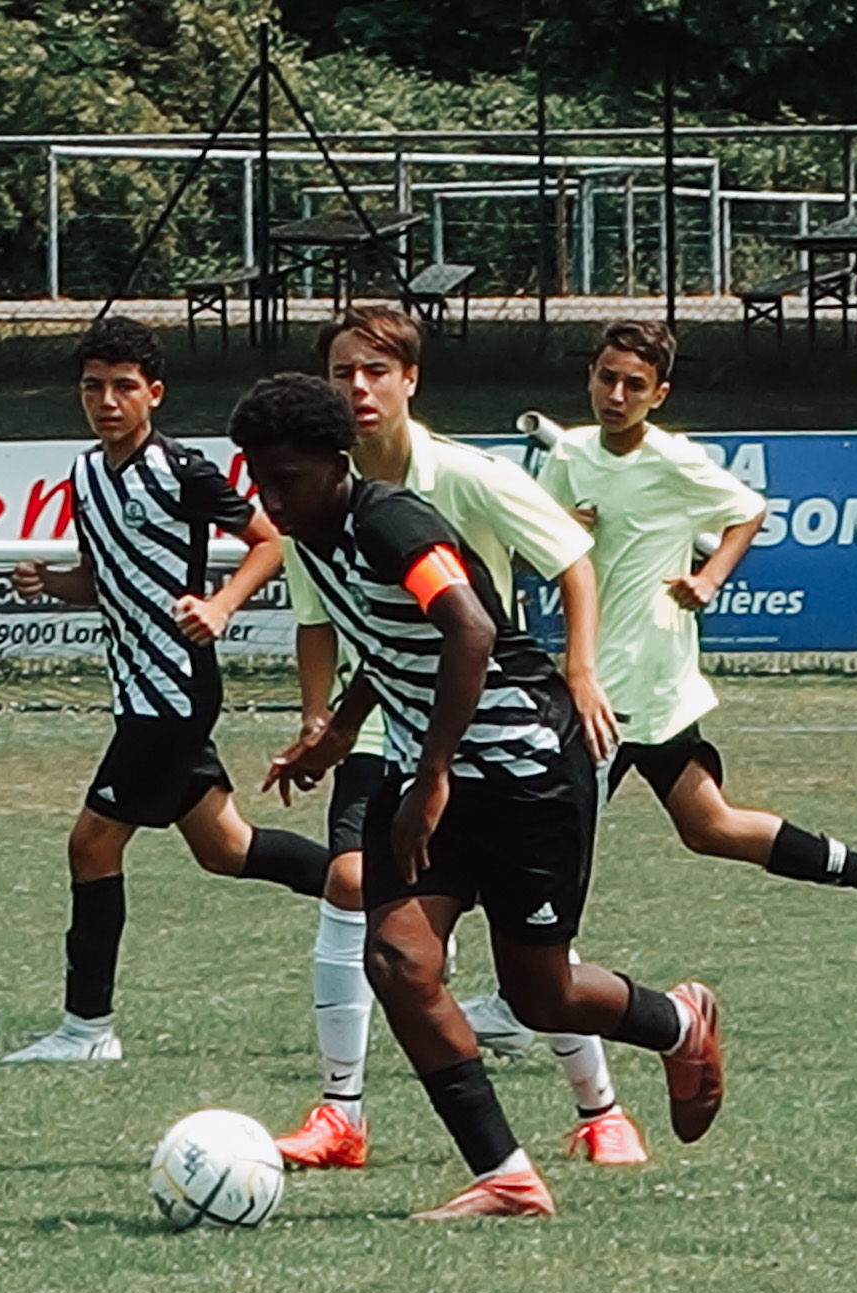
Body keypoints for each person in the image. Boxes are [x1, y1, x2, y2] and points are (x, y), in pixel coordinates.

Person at [238, 372, 725, 1220]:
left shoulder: (392, 522)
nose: (272, 499)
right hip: (432, 769)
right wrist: (343, 730)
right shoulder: (313, 532)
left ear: (336, 461)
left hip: (525, 771)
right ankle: (504, 1174)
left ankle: (678, 1022)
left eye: (287, 479)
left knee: (540, 995)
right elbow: (384, 639)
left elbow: (470, 626)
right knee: (396, 961)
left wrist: (430, 776)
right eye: (260, 480)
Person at [272, 306, 653, 1175]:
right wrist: (327, 728)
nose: (358, 387)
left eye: (376, 371)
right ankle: (343, 1112)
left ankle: (601, 1102)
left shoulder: (462, 479)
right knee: (362, 904)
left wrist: (582, 671)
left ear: (411, 380)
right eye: (342, 373)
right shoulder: (305, 489)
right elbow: (349, 627)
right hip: (397, 722)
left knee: (536, 970)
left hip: (497, 726)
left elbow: (559, 567)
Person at [475, 320, 857, 995]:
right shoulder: (567, 454)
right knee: (708, 824)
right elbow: (544, 548)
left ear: (659, 394)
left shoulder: (675, 461)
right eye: (607, 378)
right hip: (614, 671)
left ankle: (529, 996)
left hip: (630, 678)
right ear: (590, 378)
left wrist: (711, 576)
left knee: (550, 831)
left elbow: (747, 510)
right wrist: (565, 531)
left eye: (635, 384)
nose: (617, 394)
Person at [7, 317, 329, 1063]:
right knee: (227, 849)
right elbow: (106, 578)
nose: (107, 401)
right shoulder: (85, 476)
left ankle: (88, 1030)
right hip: (138, 690)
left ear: (154, 393)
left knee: (90, 845)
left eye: (124, 387)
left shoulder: (182, 469)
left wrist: (220, 605)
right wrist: (52, 584)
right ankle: (369, 894)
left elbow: (270, 542)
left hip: (173, 695)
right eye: (94, 387)